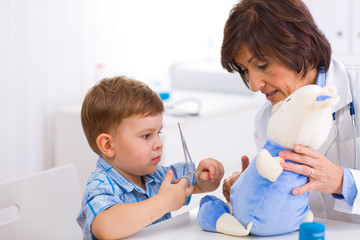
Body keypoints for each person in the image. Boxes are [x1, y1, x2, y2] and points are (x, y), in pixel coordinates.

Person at [221, 0, 360, 223]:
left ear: (300, 43)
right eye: (245, 70)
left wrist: (344, 182)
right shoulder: (266, 119)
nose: (254, 84)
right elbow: (280, 206)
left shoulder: (356, 91)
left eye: (262, 65)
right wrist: (248, 191)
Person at [77, 76, 224, 239]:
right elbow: (106, 226)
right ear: (108, 145)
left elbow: (197, 185)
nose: (158, 144)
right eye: (147, 136)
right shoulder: (99, 186)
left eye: (158, 133)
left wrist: (206, 177)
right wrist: (162, 202)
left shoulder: (158, 176)